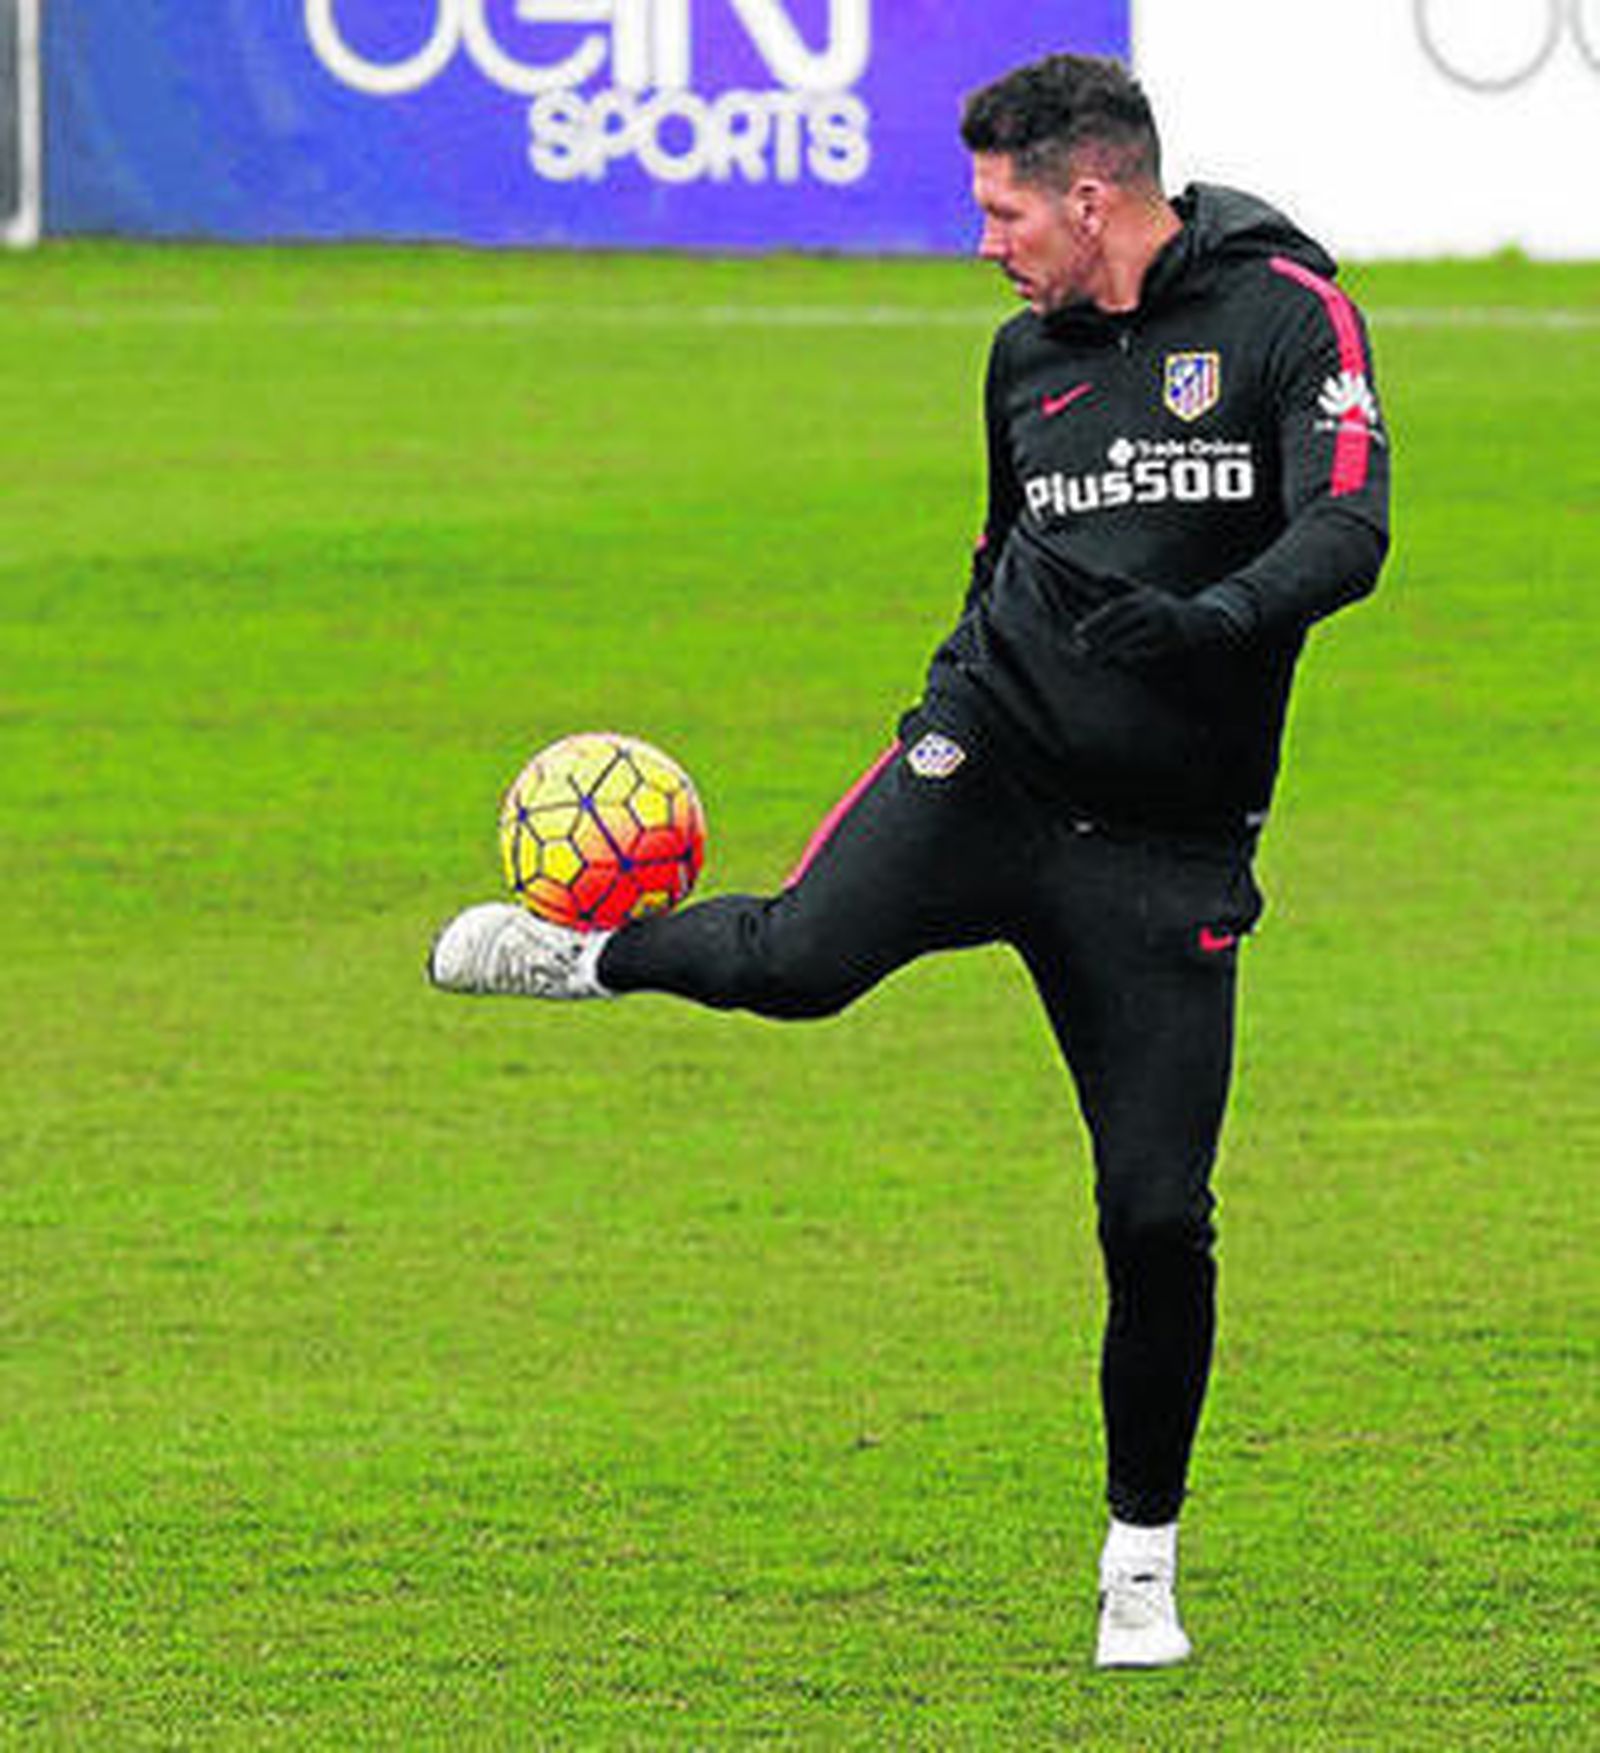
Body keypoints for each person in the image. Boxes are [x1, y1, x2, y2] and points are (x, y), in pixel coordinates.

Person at [427, 52, 1390, 1668]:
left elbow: (1350, 525)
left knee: (1156, 1216)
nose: (987, 243)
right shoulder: (1022, 362)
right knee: (798, 962)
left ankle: (1138, 1563)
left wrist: (1211, 620)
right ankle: (582, 953)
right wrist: (964, 691)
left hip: (1162, 847)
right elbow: (998, 546)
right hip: (988, 762)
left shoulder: (1289, 315)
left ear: (1094, 197)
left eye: (1005, 210)